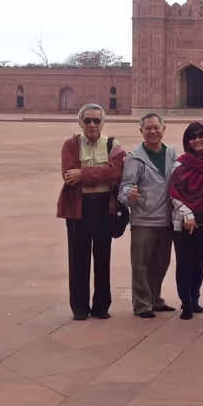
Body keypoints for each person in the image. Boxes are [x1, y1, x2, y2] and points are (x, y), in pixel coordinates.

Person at [57, 103, 126, 321]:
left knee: (103, 258)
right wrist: (101, 173)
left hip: (104, 206)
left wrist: (84, 174)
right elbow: (69, 175)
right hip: (79, 206)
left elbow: (116, 173)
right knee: (78, 258)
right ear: (80, 123)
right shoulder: (71, 145)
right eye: (88, 120)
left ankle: (101, 306)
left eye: (97, 120)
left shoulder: (112, 144)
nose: (92, 124)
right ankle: (79, 307)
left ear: (103, 123)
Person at [119, 113, 178, 319]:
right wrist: (130, 195)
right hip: (144, 219)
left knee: (161, 263)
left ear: (163, 129)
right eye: (148, 128)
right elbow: (124, 186)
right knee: (141, 264)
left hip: (166, 218)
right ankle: (142, 304)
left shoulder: (171, 154)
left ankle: (155, 298)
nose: (153, 132)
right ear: (141, 131)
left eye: (156, 128)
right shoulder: (135, 158)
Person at [169, 122, 203, 320]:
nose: (197, 140)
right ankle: (186, 303)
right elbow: (173, 193)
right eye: (193, 137)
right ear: (187, 142)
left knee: (199, 262)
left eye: (201, 136)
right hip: (183, 222)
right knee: (184, 263)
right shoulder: (180, 164)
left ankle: (195, 298)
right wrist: (187, 214)